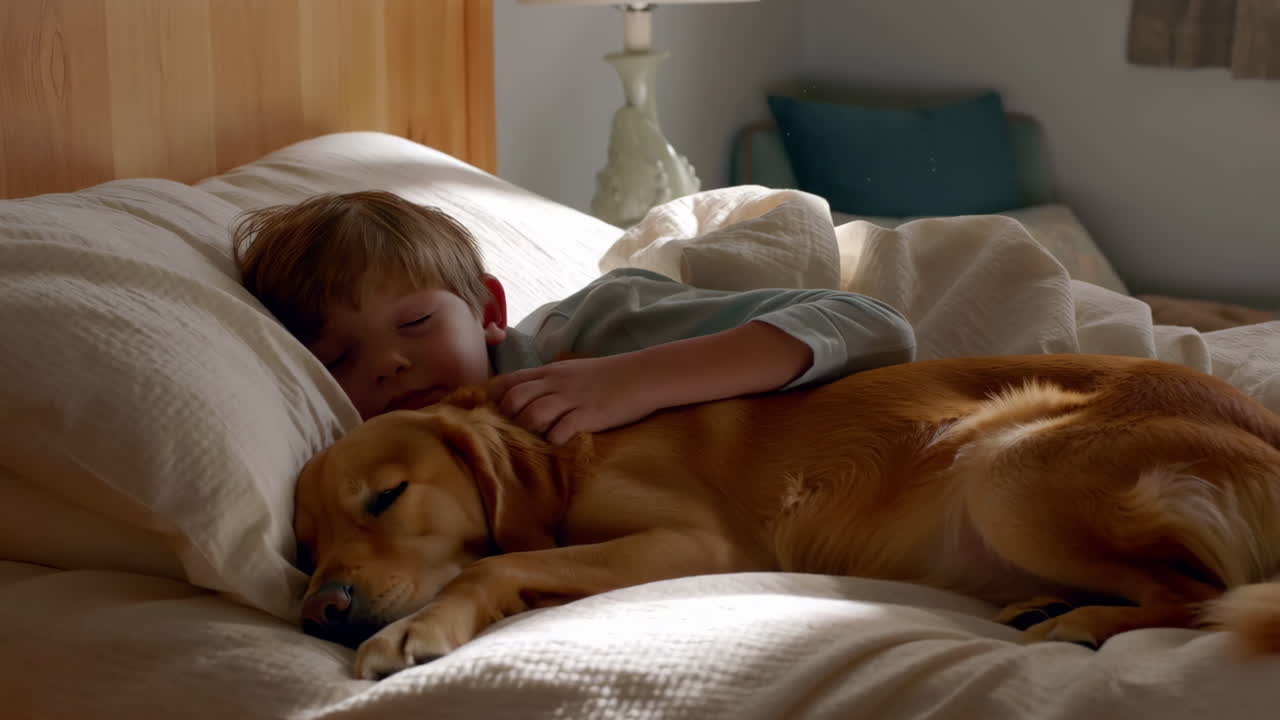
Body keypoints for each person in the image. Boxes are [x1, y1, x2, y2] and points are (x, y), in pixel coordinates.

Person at [233, 191, 915, 444]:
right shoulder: (384, 461)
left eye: (415, 324)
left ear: (488, 312)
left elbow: (872, 325)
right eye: (337, 359)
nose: (387, 363)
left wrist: (630, 381)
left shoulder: (597, 330)